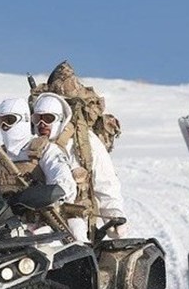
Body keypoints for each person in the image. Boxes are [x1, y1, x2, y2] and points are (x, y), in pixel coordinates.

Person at [31, 92, 128, 241]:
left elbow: (106, 182)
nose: (42, 124)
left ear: (62, 118)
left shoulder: (84, 144)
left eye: (49, 118)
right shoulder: (27, 145)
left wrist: (114, 216)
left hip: (78, 226)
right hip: (36, 226)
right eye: (37, 118)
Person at [0, 97, 79, 237]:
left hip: (46, 227)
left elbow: (65, 184)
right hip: (5, 227)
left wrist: (39, 196)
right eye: (0, 121)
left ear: (24, 119)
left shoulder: (46, 150)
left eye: (9, 120)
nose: (5, 126)